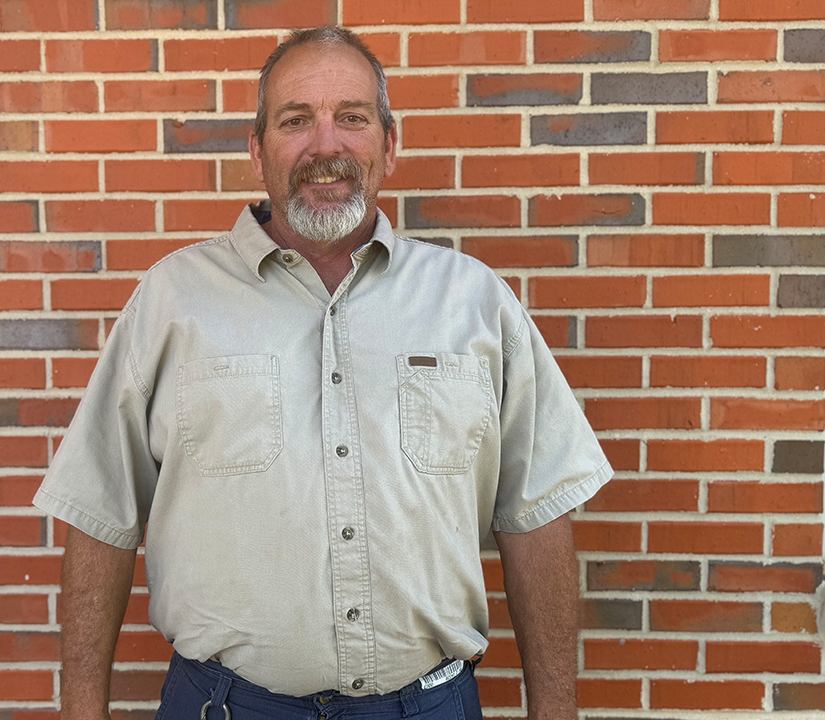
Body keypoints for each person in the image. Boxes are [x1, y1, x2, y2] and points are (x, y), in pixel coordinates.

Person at [32, 25, 611, 720]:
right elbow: (100, 512)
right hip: (224, 707)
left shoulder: (475, 303)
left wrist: (557, 711)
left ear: (389, 146)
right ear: (258, 149)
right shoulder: (172, 301)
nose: (326, 145)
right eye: (296, 120)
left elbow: (536, 515)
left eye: (353, 118)